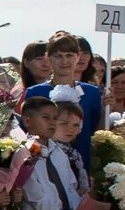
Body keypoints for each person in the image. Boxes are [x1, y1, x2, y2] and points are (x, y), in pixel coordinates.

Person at [26, 30, 104, 168]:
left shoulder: (91, 92)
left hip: (82, 162)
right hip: (44, 166)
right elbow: (28, 133)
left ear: (77, 57)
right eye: (58, 56)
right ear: (48, 58)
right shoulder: (35, 92)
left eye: (69, 55)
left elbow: (95, 130)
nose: (64, 61)